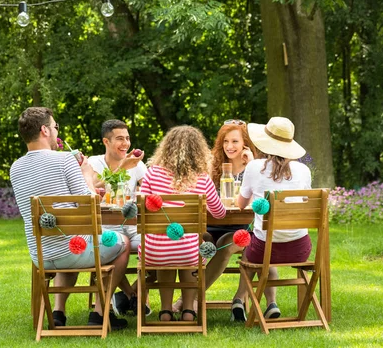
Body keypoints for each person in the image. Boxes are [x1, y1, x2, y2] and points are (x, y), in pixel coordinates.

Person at [9, 107, 130, 330]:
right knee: (123, 242)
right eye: (55, 127)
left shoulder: (15, 168)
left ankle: (58, 313)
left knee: (66, 239)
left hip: (41, 256)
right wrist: (85, 172)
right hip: (75, 250)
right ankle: (99, 315)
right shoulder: (64, 160)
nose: (57, 132)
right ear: (45, 130)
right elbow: (89, 204)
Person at [139, 125, 226, 322]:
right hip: (188, 252)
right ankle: (188, 311)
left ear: (166, 148)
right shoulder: (202, 179)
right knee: (191, 247)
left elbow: (140, 207)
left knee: (167, 250)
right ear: (199, 151)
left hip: (154, 252)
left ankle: (165, 311)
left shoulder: (152, 174)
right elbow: (219, 213)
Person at [172, 119, 258, 313]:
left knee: (225, 246)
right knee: (195, 241)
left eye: (235, 141)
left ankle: (194, 297)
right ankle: (187, 299)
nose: (229, 146)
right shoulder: (213, 165)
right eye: (225, 141)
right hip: (210, 226)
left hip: (240, 229)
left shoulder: (253, 168)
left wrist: (252, 164)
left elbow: (255, 201)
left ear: (245, 143)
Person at [231, 116, 312, 322]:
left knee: (254, 252)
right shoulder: (303, 170)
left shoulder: (254, 167)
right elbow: (305, 202)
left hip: (264, 249)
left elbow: (240, 204)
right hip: (300, 249)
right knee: (267, 245)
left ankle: (240, 300)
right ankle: (270, 304)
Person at [88, 119, 149, 316]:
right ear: (106, 141)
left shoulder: (136, 165)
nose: (126, 143)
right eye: (120, 139)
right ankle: (132, 295)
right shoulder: (94, 163)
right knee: (114, 249)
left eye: (128, 138)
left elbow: (151, 189)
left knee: (157, 249)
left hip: (133, 225)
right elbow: (93, 186)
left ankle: (125, 296)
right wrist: (122, 166)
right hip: (106, 226)